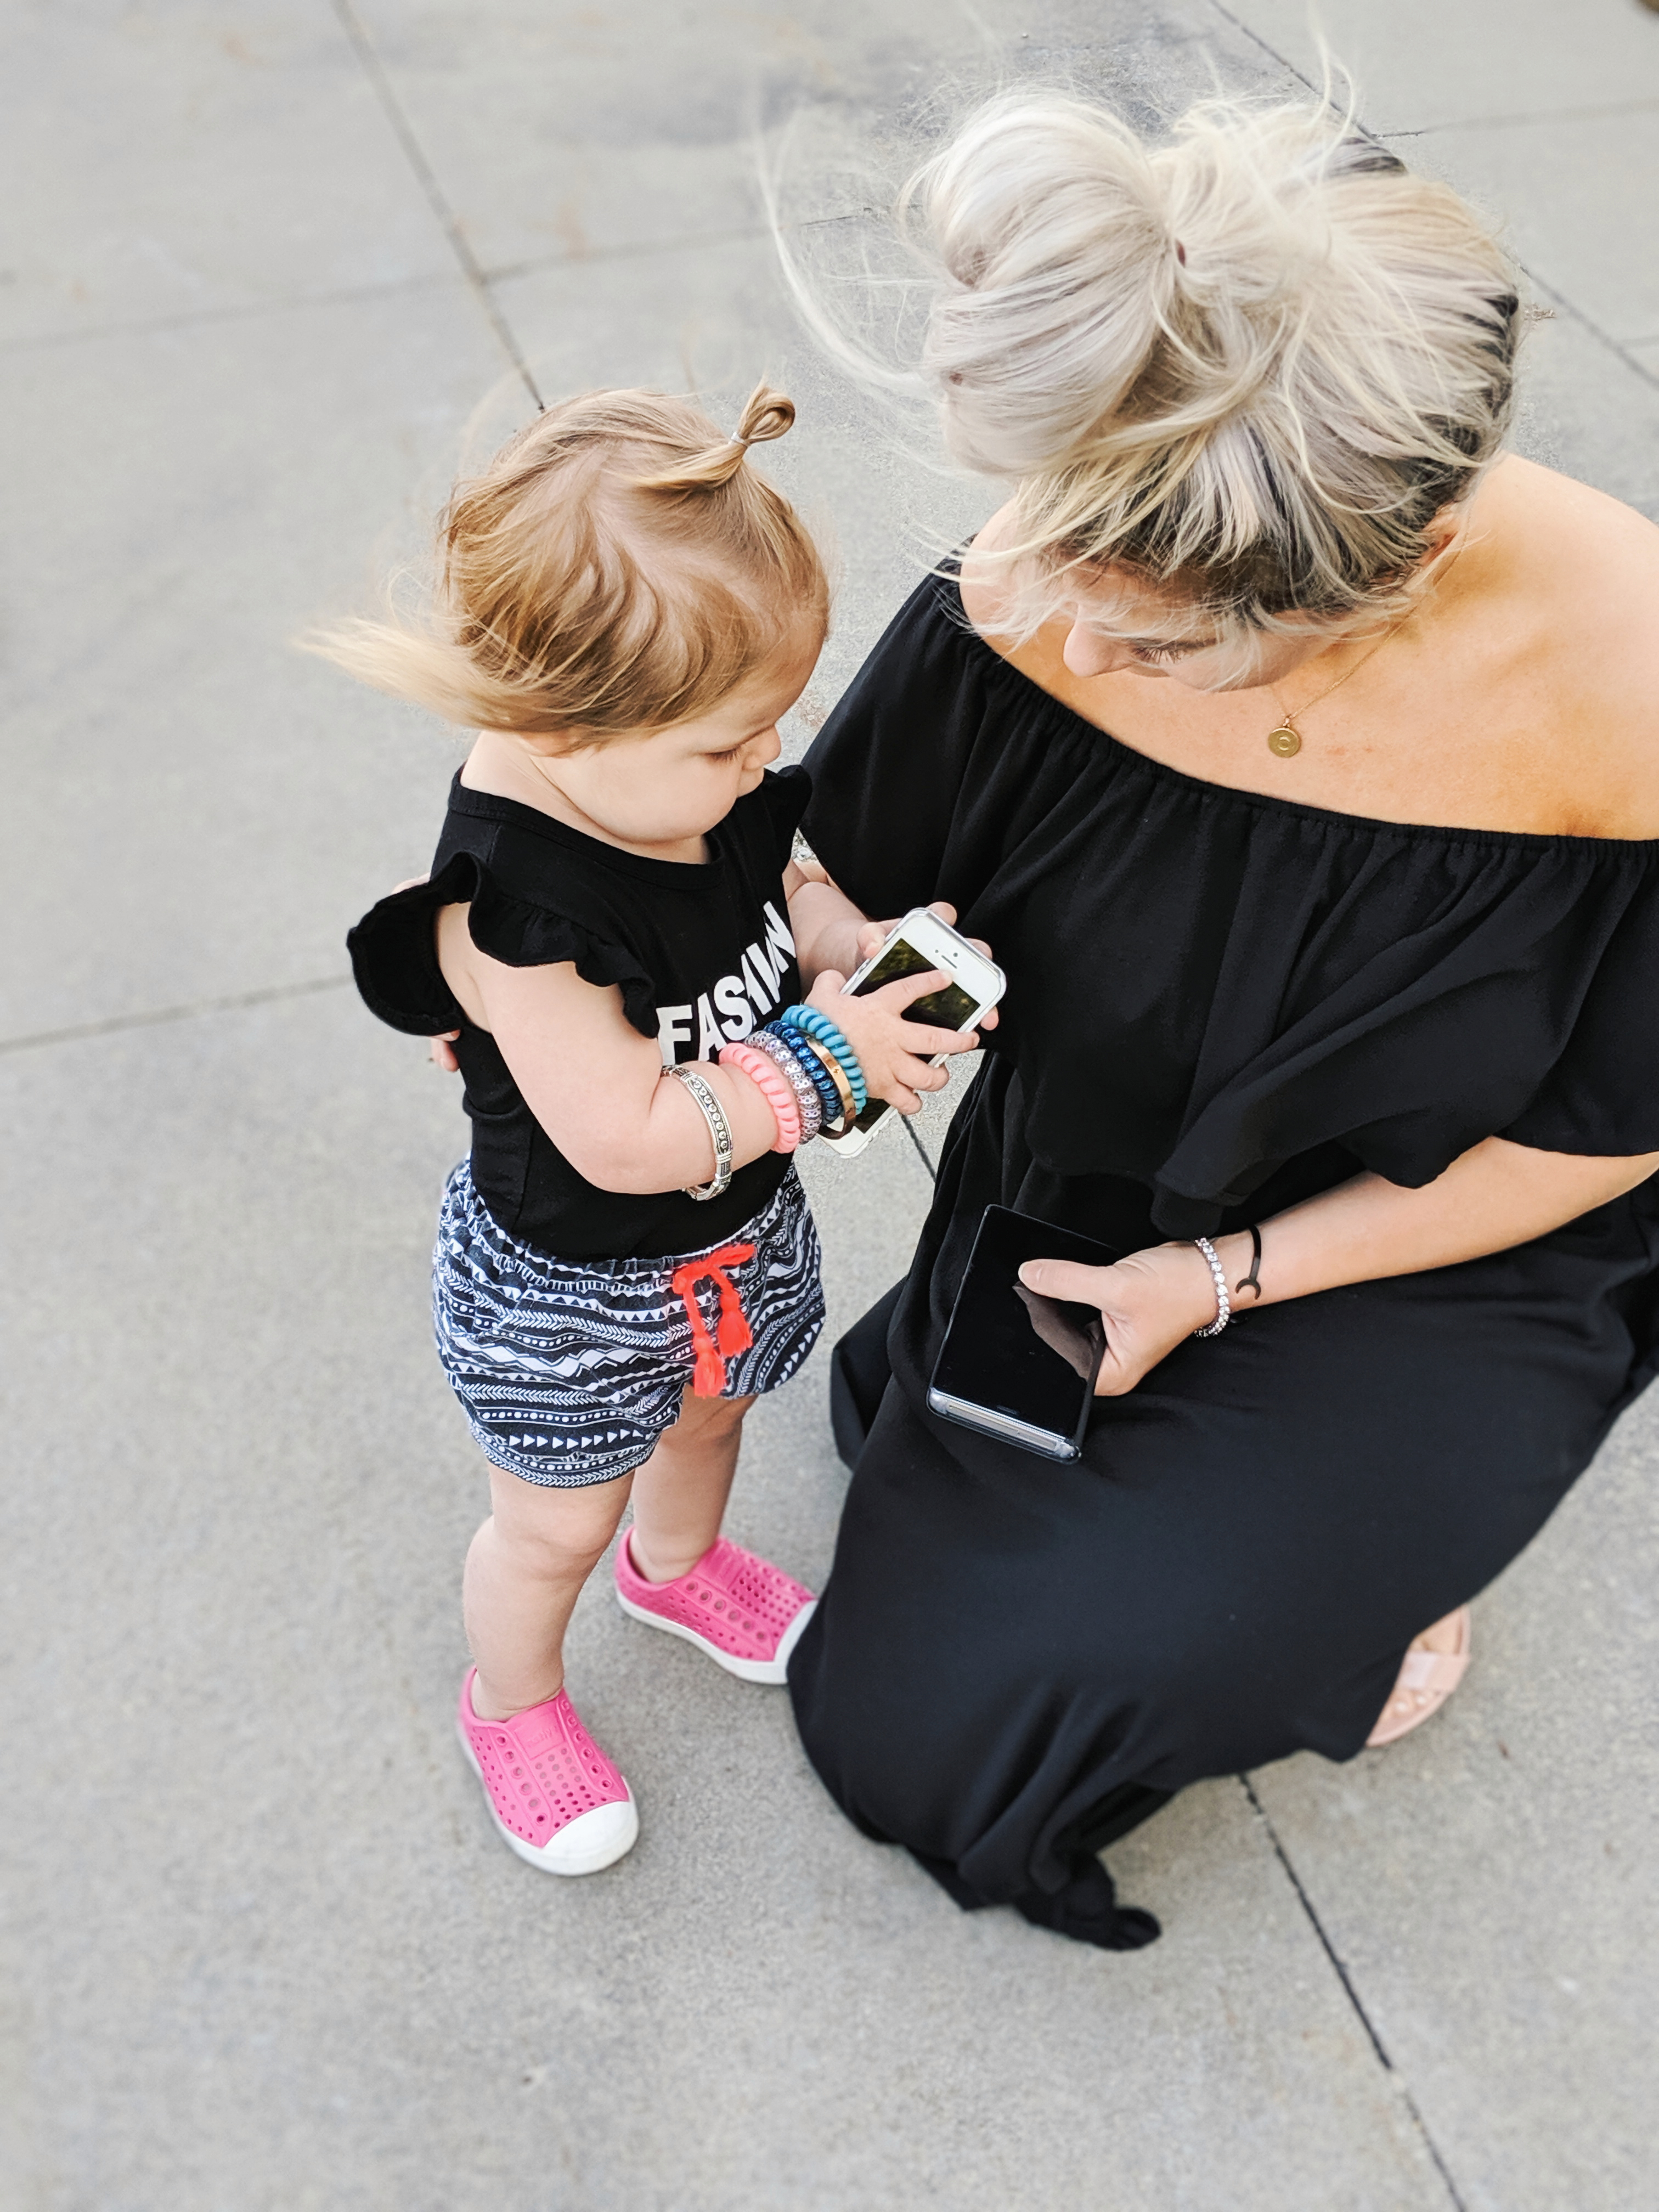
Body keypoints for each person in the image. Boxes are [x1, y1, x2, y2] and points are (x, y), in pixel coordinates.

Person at [778, 91, 1659, 1949]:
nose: (1072, 647)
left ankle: (1385, 1529)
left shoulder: (1634, 683)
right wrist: (831, 980)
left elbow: (1593, 1145)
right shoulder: (1083, 549)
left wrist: (1226, 1281)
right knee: (901, 1729)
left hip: (1441, 1242)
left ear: (1395, 576)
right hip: (1100, 1186)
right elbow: (830, 873)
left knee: (1015, 1715)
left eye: (1161, 643)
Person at [325, 385, 983, 1875]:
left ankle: (676, 1566)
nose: (755, 770)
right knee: (551, 1522)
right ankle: (514, 1699)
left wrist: (834, 940)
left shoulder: (691, 786)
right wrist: (828, 1056)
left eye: (767, 734)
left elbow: (782, 860)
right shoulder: (526, 914)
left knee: (711, 1415)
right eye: (725, 745)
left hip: (729, 1236)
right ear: (559, 722)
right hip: (571, 1286)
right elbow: (622, 1135)